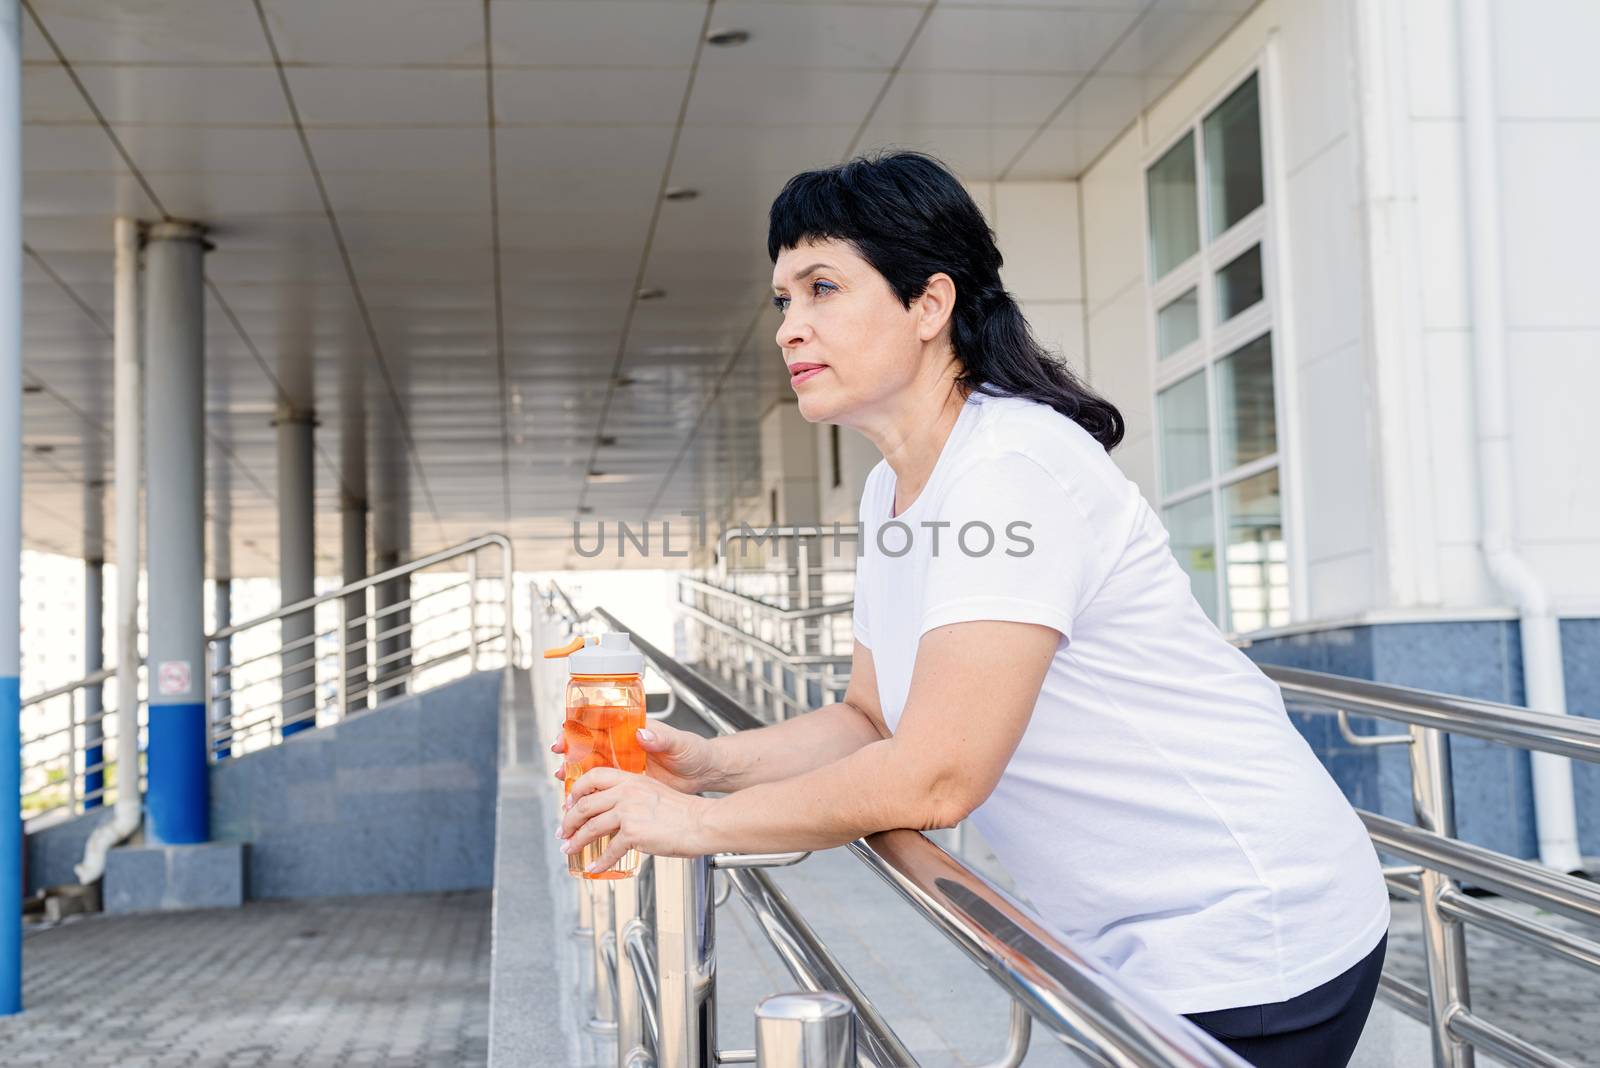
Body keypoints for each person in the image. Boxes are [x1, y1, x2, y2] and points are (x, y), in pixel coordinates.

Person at [556, 151, 1389, 1067]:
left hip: (1244, 930)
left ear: (929, 304)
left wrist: (698, 828)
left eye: (822, 287)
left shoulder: (1010, 472)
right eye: (783, 300)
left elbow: (937, 778)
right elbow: (872, 721)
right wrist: (711, 764)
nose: (791, 327)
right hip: (1130, 942)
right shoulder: (894, 490)